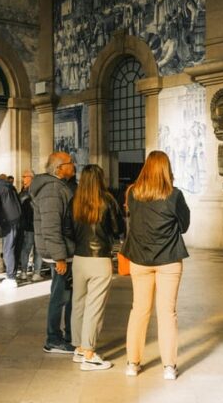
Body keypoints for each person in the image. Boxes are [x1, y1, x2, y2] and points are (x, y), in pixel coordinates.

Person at [123, 150, 190, 380]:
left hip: (139, 260)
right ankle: (169, 367)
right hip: (169, 260)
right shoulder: (174, 195)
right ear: (166, 169)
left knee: (139, 311)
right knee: (167, 313)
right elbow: (185, 226)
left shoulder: (132, 193)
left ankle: (132, 363)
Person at [71, 165, 124, 370]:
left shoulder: (74, 200)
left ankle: (79, 349)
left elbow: (68, 228)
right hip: (100, 258)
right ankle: (90, 354)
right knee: (94, 307)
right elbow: (118, 227)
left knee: (78, 303)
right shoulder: (108, 200)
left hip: (78, 257)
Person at [31, 151, 76, 354]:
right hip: (59, 251)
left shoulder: (56, 186)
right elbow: (50, 226)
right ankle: (53, 339)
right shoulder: (51, 189)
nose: (73, 165)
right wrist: (59, 257)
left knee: (63, 292)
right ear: (59, 168)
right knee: (60, 295)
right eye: (70, 162)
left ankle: (67, 335)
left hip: (62, 249)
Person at [17, 169, 42, 280]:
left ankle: (30, 272)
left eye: (25, 176)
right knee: (31, 249)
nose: (23, 179)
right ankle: (31, 272)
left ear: (31, 178)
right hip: (31, 225)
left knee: (32, 249)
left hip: (32, 226)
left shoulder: (25, 194)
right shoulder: (28, 193)